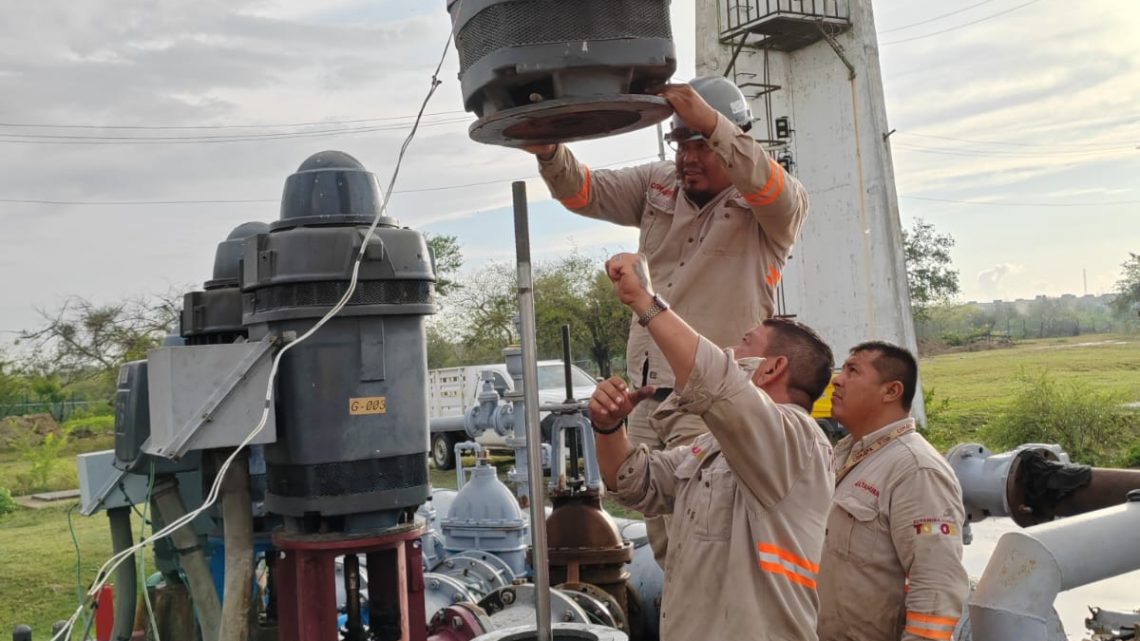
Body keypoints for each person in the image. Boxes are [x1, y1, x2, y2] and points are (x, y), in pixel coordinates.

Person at [528, 76, 810, 564]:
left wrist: (709, 121)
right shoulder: (659, 183)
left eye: (702, 144)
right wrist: (550, 151)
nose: (687, 157)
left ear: (734, 139)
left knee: (711, 534)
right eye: (680, 143)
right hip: (647, 399)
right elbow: (584, 192)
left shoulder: (770, 208)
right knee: (667, 545)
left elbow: (770, 185)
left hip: (711, 400)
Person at [590, 252, 834, 641]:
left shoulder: (798, 441)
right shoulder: (713, 446)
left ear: (771, 368)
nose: (731, 352)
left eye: (744, 344)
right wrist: (608, 427)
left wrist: (645, 302)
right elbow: (638, 481)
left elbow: (715, 380)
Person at [816, 342, 970, 641]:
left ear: (891, 391)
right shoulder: (846, 454)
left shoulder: (915, 469)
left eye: (853, 370)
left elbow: (936, 585)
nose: (837, 379)